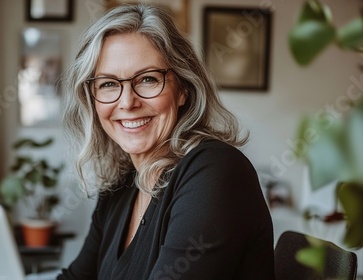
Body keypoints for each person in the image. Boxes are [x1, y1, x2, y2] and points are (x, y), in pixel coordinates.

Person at [59, 4, 274, 279]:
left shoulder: (215, 172)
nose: (127, 102)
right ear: (92, 98)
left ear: (183, 88)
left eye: (148, 79)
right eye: (109, 84)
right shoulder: (119, 187)